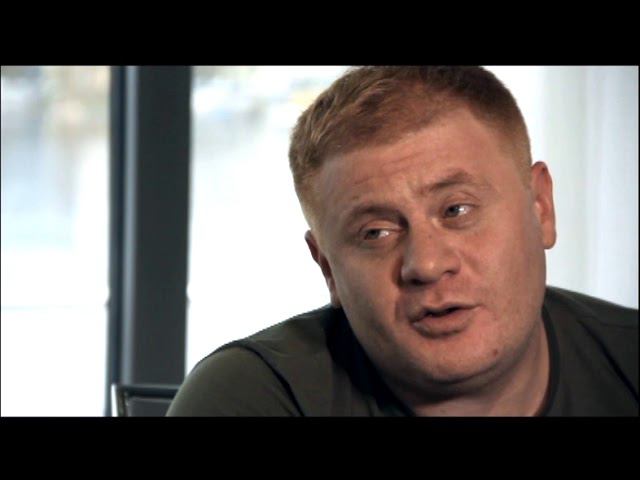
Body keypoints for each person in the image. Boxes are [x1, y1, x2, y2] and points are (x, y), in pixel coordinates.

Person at [167, 66, 638, 416]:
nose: (426, 265)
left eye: (456, 210)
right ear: (328, 269)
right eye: (376, 233)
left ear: (541, 208)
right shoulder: (253, 398)